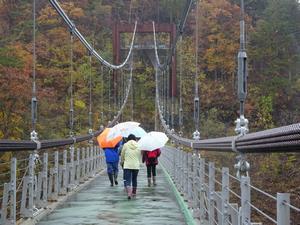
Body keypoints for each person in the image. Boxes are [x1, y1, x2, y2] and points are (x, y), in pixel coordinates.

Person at [120, 134, 141, 199]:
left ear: (128, 139)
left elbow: (122, 154)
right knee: (134, 179)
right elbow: (139, 155)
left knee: (127, 180)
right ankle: (134, 193)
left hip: (127, 165)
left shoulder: (125, 145)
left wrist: (122, 162)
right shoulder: (138, 145)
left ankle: (129, 193)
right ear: (135, 139)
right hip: (136, 165)